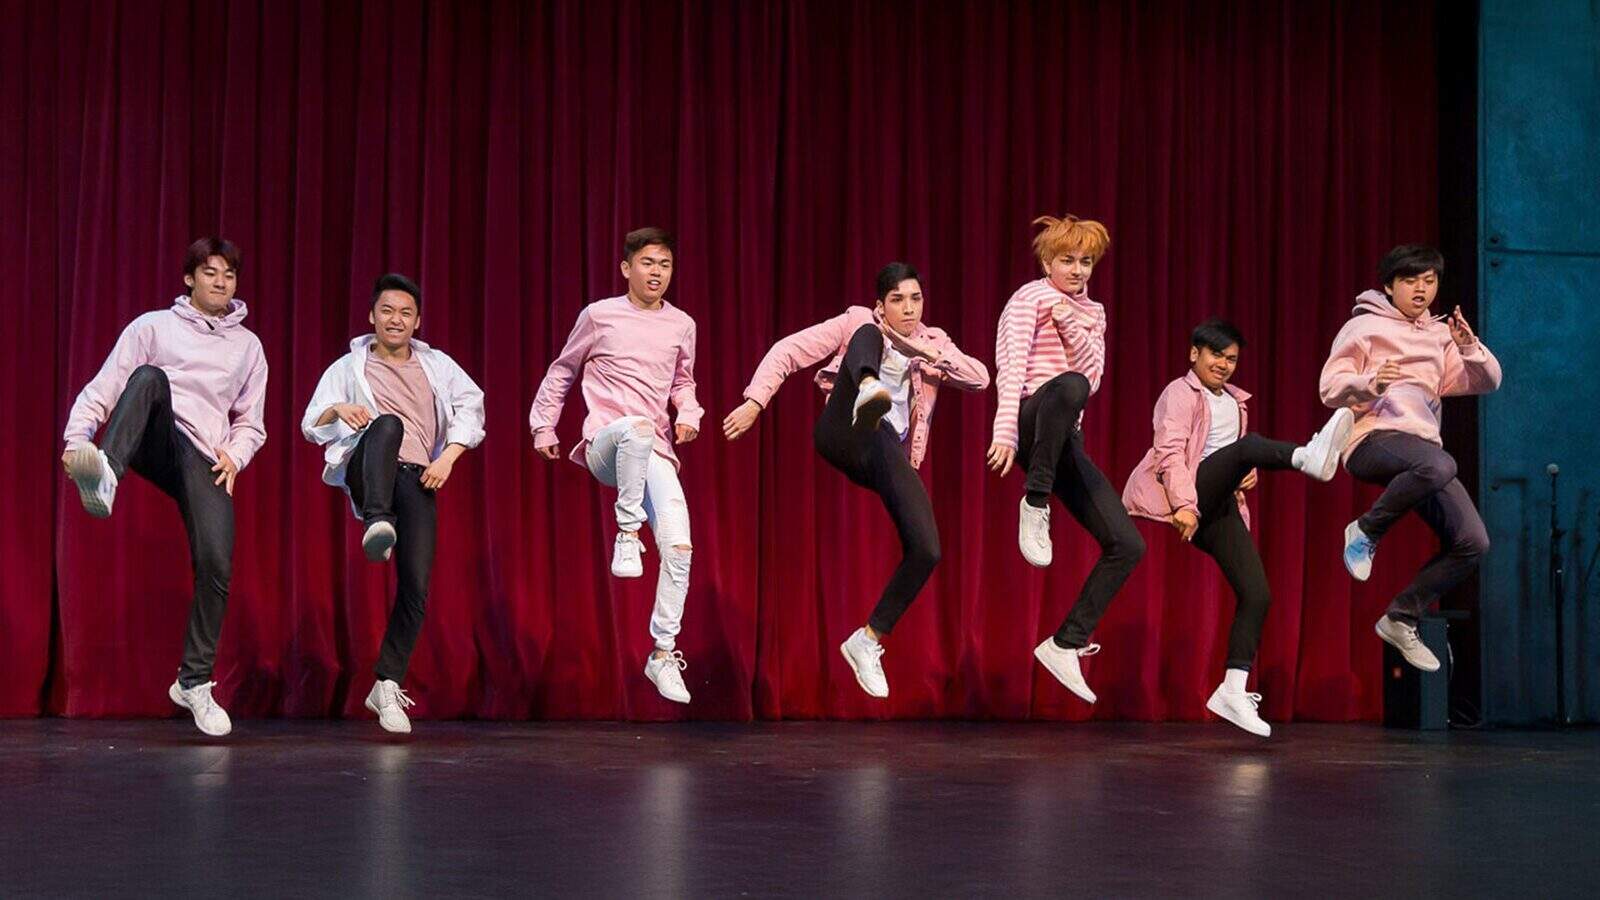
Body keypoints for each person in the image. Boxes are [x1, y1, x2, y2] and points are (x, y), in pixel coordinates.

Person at [724, 263, 990, 698]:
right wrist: (756, 401)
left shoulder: (933, 341)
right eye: (898, 300)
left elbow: (979, 379)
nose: (909, 308)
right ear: (882, 303)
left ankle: (867, 640)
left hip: (883, 451)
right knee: (868, 335)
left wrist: (920, 352)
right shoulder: (859, 320)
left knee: (927, 548)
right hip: (842, 430)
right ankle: (869, 386)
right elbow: (787, 350)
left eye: (916, 299)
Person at [61, 237, 268, 736]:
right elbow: (107, 384)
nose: (221, 282)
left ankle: (193, 682)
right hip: (156, 433)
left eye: (229, 275)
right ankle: (108, 475)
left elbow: (252, 423)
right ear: (189, 278)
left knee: (217, 565)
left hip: (204, 458)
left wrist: (234, 455)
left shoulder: (248, 346)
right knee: (149, 377)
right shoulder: (152, 326)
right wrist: (76, 437)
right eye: (210, 272)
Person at [1123, 318, 1353, 736]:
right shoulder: (1179, 393)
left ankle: (1231, 689)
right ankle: (1307, 457)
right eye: (1216, 355)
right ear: (1195, 353)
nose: (1224, 365)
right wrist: (1185, 505)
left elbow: (1223, 456)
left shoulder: (1235, 402)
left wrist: (1246, 474)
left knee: (1257, 594)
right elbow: (1170, 453)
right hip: (1188, 493)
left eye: (1231, 359)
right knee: (1248, 448)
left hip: (1219, 500)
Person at [302, 273, 485, 734]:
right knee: (387, 425)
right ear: (372, 316)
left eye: (405, 313)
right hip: (372, 470)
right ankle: (378, 522)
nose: (395, 319)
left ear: (417, 321)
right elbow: (311, 423)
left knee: (416, 588)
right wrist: (338, 410)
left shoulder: (437, 365)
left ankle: (386, 682)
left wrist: (449, 456)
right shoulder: (348, 367)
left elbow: (473, 406)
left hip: (420, 477)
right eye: (387, 311)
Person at [530, 227, 702, 704]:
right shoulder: (599, 316)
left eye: (664, 265)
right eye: (647, 263)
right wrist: (543, 426)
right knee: (636, 428)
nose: (656, 273)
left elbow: (683, 382)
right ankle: (627, 534)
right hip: (607, 443)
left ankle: (663, 653)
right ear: (627, 268)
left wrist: (688, 413)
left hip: (655, 453)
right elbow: (563, 369)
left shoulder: (681, 324)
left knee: (680, 549)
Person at [1320, 245, 1501, 672]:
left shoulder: (1441, 335)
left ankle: (1401, 617)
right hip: (1371, 441)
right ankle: (1366, 530)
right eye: (1411, 280)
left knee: (1473, 542)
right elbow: (1330, 388)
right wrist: (1369, 383)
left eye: (1429, 280)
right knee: (1440, 465)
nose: (1422, 289)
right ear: (1389, 286)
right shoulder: (1364, 327)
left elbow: (1486, 382)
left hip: (1422, 452)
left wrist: (1469, 346)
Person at [987, 215, 1144, 704]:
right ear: (1047, 262)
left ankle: (1066, 642)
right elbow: (1009, 368)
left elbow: (1092, 379)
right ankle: (1035, 504)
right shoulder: (1027, 299)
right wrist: (1005, 433)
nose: (1077, 271)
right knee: (1066, 387)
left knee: (1127, 544)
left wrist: (1071, 326)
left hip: (1063, 439)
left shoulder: (1092, 311)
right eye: (1067, 261)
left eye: (1086, 262)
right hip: (1031, 421)